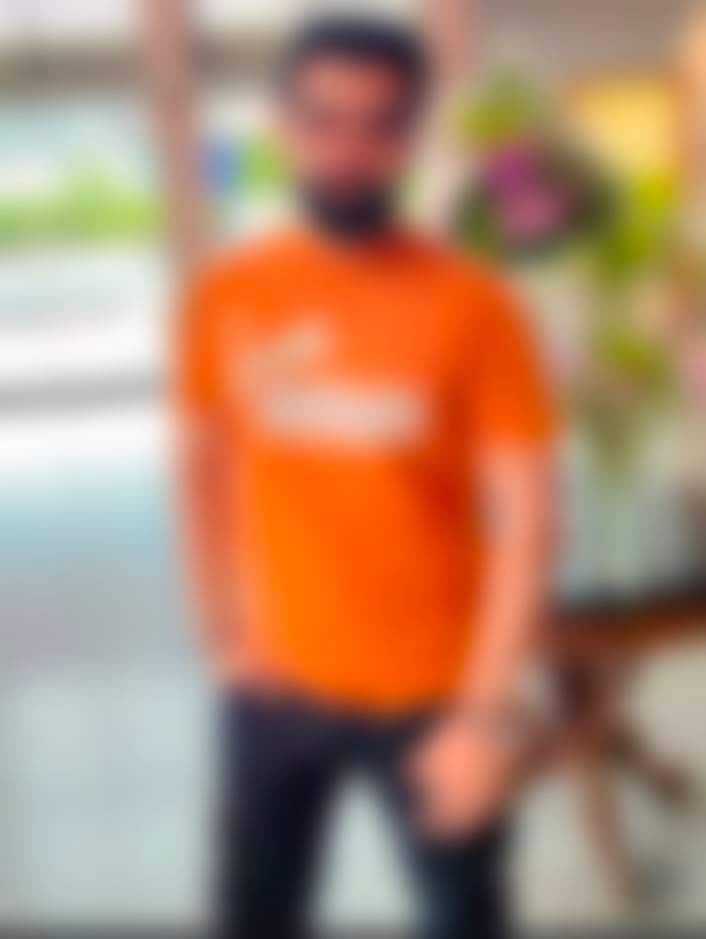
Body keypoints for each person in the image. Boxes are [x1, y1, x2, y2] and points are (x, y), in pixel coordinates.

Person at [174, 15, 555, 939]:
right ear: (283, 125)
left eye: (379, 124)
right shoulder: (226, 295)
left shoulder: (476, 305)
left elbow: (530, 519)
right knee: (254, 914)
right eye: (322, 119)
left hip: (435, 696)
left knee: (464, 917)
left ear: (411, 137)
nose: (347, 149)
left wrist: (483, 716)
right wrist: (223, 633)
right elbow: (201, 473)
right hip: (275, 684)